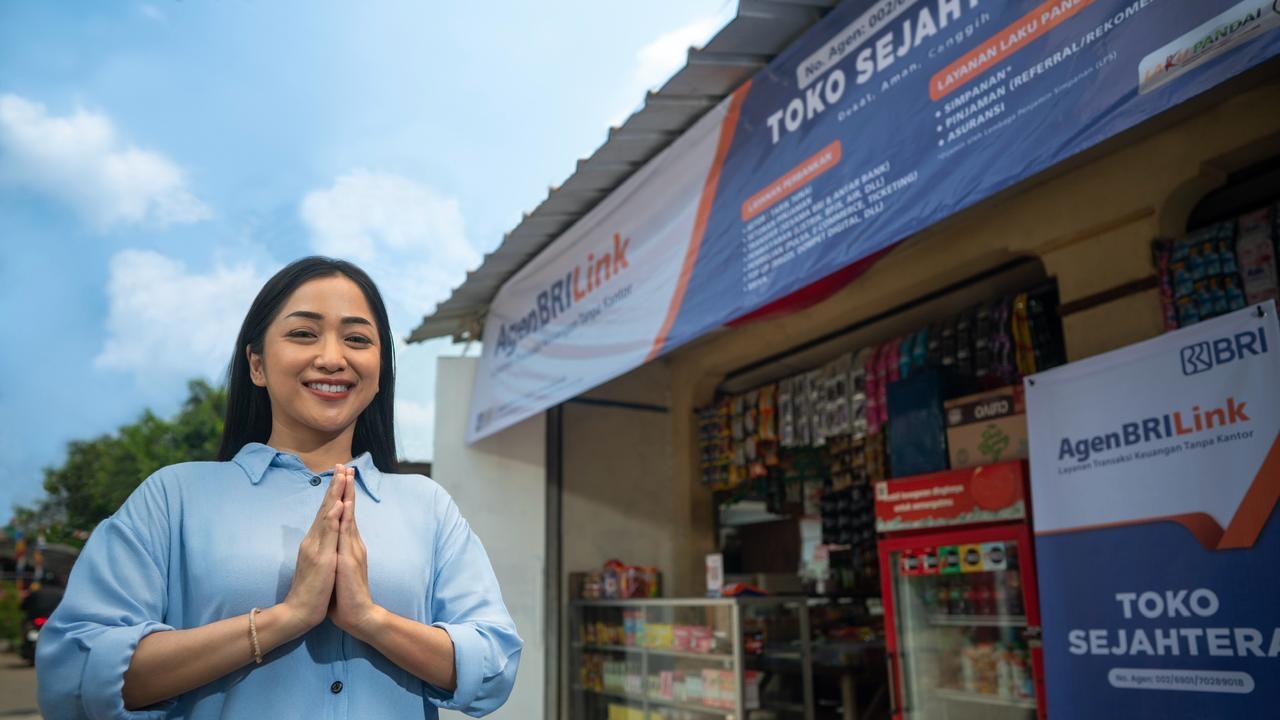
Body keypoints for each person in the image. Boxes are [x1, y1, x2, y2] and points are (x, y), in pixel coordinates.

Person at [35, 257, 522, 718]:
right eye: (303, 333)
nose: (332, 358)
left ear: (380, 374)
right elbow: (73, 676)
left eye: (357, 339)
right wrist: (284, 619)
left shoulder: (428, 506)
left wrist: (370, 619)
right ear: (257, 365)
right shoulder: (175, 497)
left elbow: (495, 665)